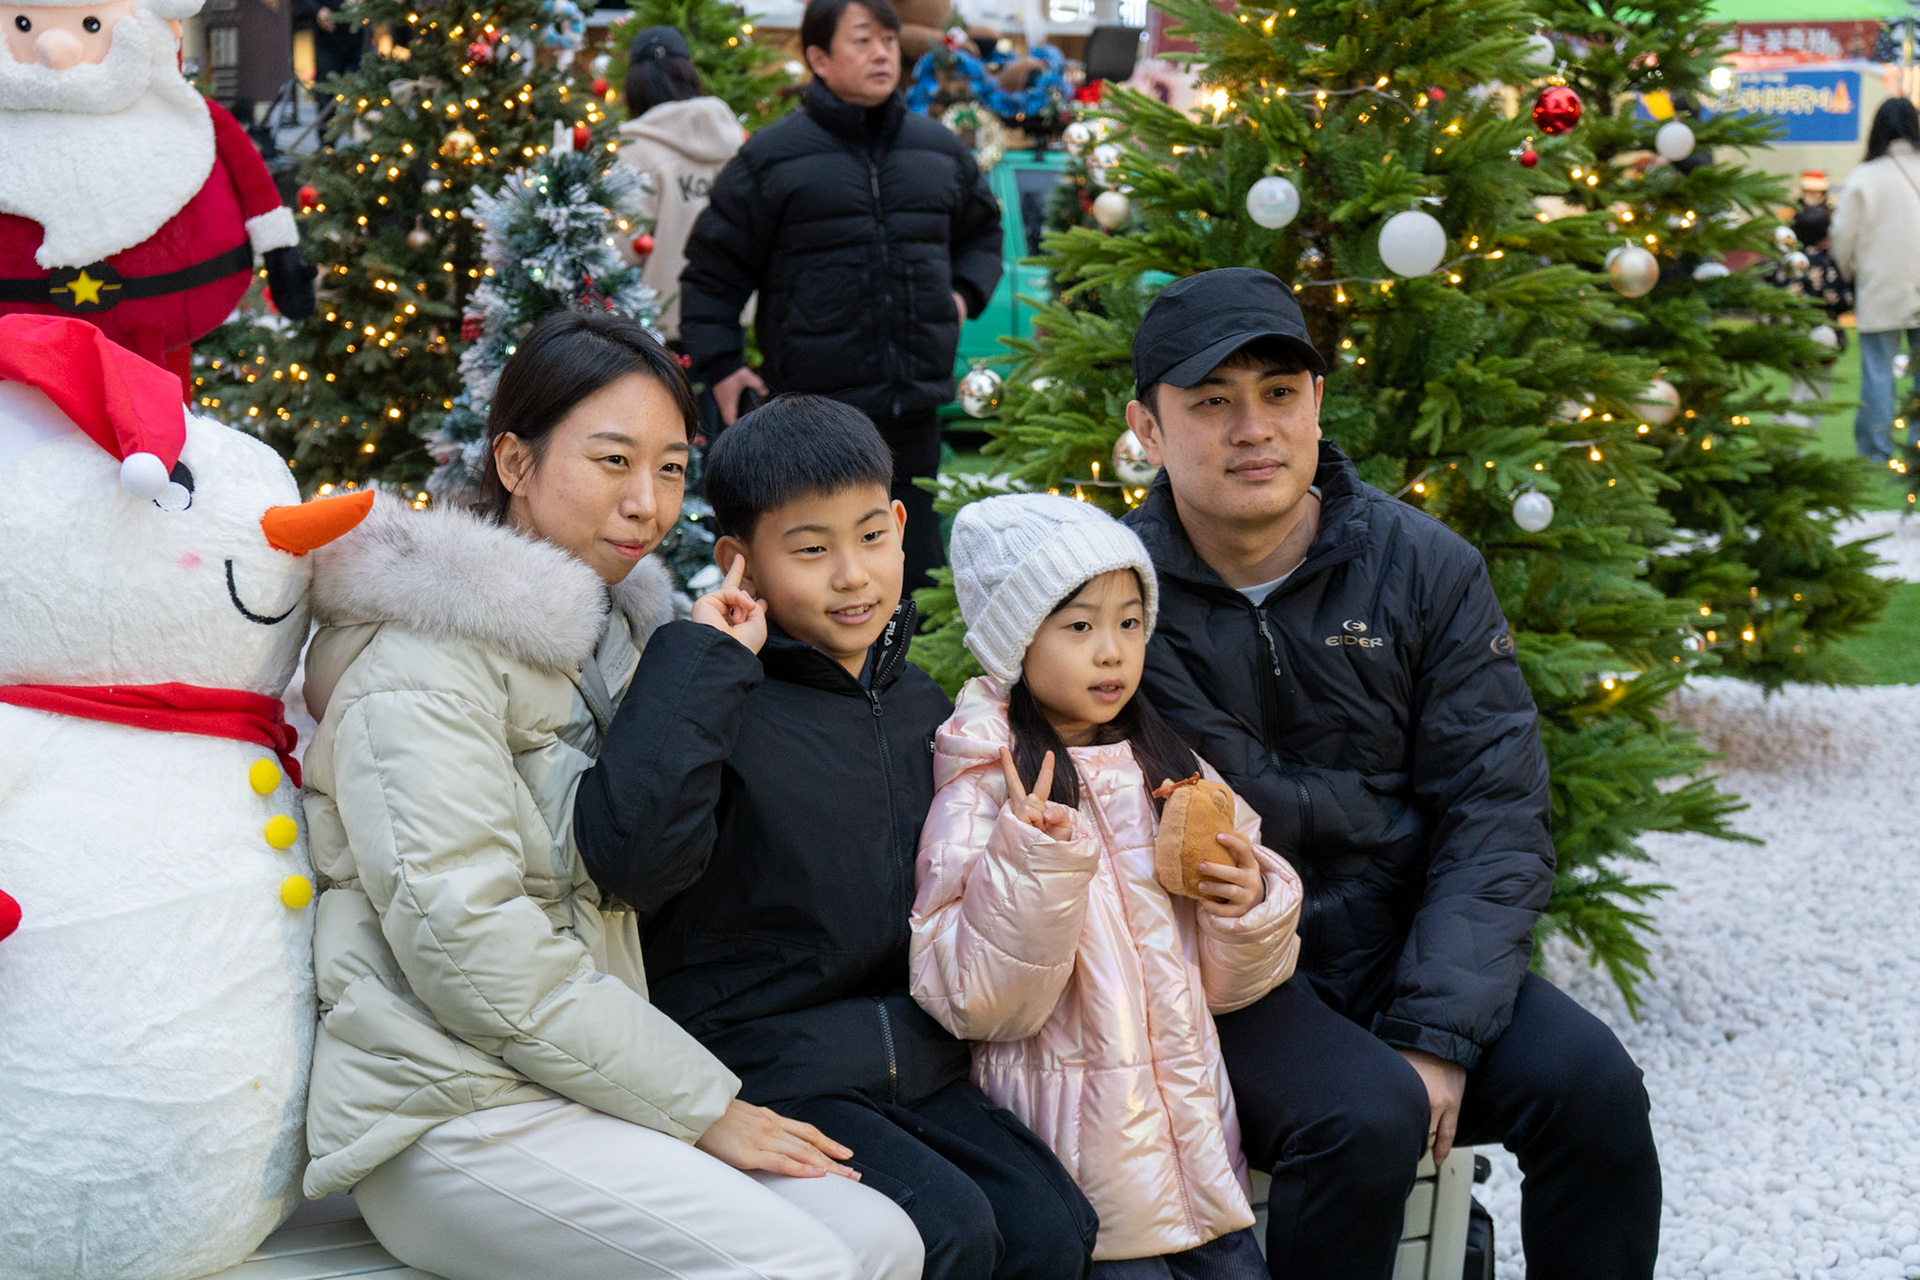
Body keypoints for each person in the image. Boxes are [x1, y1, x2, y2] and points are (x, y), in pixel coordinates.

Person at [298, 312, 923, 1280]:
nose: (647, 502)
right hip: (455, 1110)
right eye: (614, 460)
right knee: (797, 1265)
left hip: (594, 1089)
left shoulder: (625, 646)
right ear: (514, 460)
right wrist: (705, 1105)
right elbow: (468, 943)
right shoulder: (422, 665)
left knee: (885, 1239)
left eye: (671, 469)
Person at [1119, 268, 1662, 1280]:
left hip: (1403, 948)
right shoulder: (1111, 598)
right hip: (1230, 981)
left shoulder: (1425, 567)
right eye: (1212, 401)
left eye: (1280, 392)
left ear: (1318, 401)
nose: (1254, 428)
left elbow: (1494, 810)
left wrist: (1437, 1032)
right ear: (1147, 428)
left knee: (1593, 1088)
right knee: (1363, 1118)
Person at [572, 395, 1099, 1280]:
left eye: (870, 537)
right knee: (950, 1232)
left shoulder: (925, 705)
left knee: (1053, 1225)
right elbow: (630, 858)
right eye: (812, 550)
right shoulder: (713, 693)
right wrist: (707, 662)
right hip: (765, 1068)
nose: (853, 576)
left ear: (900, 526)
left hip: (914, 1060)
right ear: (740, 561)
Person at [909, 493, 1303, 1279]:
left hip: (1200, 1165)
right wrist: (1031, 861)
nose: (1113, 653)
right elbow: (975, 1001)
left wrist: (1248, 905)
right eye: (1080, 627)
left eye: (1129, 623)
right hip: (1087, 1176)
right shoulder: (984, 786)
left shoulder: (1168, 764)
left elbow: (1229, 985)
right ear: (1018, 641)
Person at [677, 0, 1004, 591]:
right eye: (863, 40)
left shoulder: (937, 148)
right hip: (817, 419)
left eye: (889, 40)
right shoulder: (772, 156)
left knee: (912, 571)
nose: (882, 53)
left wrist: (959, 297)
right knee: (824, 577)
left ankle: (908, 655)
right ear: (819, 58)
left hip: (913, 410)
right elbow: (712, 270)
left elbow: (983, 232)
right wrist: (721, 364)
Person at [615, 26, 744, 348]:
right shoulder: (734, 142)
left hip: (656, 329)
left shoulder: (634, 151)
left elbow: (621, 249)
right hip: (728, 321)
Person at [1833, 97, 1920, 465]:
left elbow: (1842, 237)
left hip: (1880, 286)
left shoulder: (1864, 177)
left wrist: (1849, 274)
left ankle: (1875, 452)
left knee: (1878, 373)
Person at [1767, 204, 1852, 428]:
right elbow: (1839, 300)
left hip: (1788, 334)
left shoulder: (1786, 262)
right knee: (1814, 389)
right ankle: (1793, 430)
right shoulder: (1824, 263)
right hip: (1820, 336)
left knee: (1798, 383)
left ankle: (1786, 420)